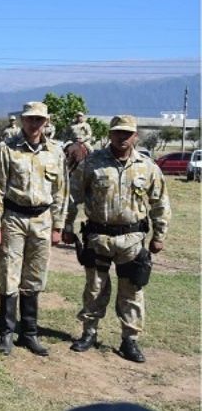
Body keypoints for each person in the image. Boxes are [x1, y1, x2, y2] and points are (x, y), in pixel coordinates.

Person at [62, 115, 170, 363]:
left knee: (131, 291)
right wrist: (67, 225)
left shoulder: (147, 166)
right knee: (95, 289)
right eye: (118, 132)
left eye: (127, 133)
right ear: (110, 134)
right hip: (98, 236)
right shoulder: (92, 163)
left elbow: (160, 203)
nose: (122, 137)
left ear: (135, 136)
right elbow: (72, 196)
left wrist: (159, 235)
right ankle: (89, 333)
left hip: (132, 239)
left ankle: (129, 340)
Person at [0, 101, 68, 357]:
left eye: (39, 120)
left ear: (46, 122)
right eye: (30, 119)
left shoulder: (55, 151)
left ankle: (30, 333)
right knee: (10, 274)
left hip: (43, 219)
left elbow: (60, 191)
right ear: (22, 120)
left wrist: (58, 225)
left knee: (35, 276)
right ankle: (6, 333)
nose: (34, 124)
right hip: (13, 217)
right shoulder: (6, 148)